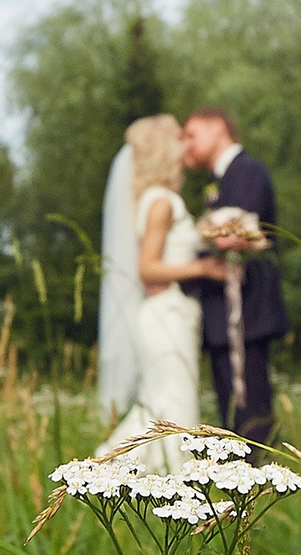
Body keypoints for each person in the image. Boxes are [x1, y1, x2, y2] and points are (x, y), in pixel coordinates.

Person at [94, 114, 224, 469]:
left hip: (168, 315)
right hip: (167, 314)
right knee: (173, 403)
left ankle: (115, 469)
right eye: (179, 138)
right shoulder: (162, 202)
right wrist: (204, 268)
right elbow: (148, 269)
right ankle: (156, 475)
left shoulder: (154, 198)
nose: (186, 144)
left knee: (159, 401)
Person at [179, 108, 287, 445]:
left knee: (249, 417)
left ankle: (256, 483)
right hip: (225, 316)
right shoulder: (222, 180)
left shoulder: (247, 171)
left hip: (245, 314)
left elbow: (242, 235)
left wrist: (211, 236)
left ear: (218, 128)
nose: (186, 145)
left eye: (191, 134)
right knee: (232, 415)